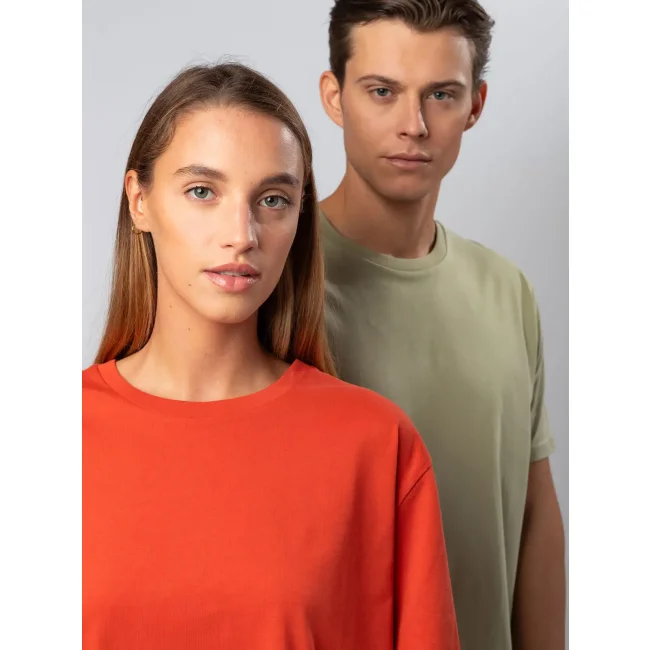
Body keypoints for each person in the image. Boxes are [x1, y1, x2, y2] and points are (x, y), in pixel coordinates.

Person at [82, 62, 459, 649]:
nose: (242, 233)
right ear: (140, 201)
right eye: (202, 191)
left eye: (273, 199)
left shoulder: (375, 445)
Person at [318, 1, 566, 649]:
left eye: (441, 95)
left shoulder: (507, 290)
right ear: (334, 97)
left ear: (475, 105)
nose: (414, 125)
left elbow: (533, 515)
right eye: (382, 91)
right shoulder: (272, 285)